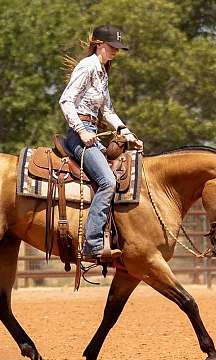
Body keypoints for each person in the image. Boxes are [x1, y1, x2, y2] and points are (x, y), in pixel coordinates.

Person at [59, 24, 143, 261]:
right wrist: (81, 131)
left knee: (121, 170)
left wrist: (129, 136)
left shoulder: (102, 72)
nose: (115, 52)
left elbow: (107, 111)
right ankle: (92, 244)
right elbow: (66, 101)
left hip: (92, 131)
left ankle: (114, 235)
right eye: (111, 47)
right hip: (80, 135)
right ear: (99, 45)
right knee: (107, 181)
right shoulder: (87, 67)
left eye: (117, 48)